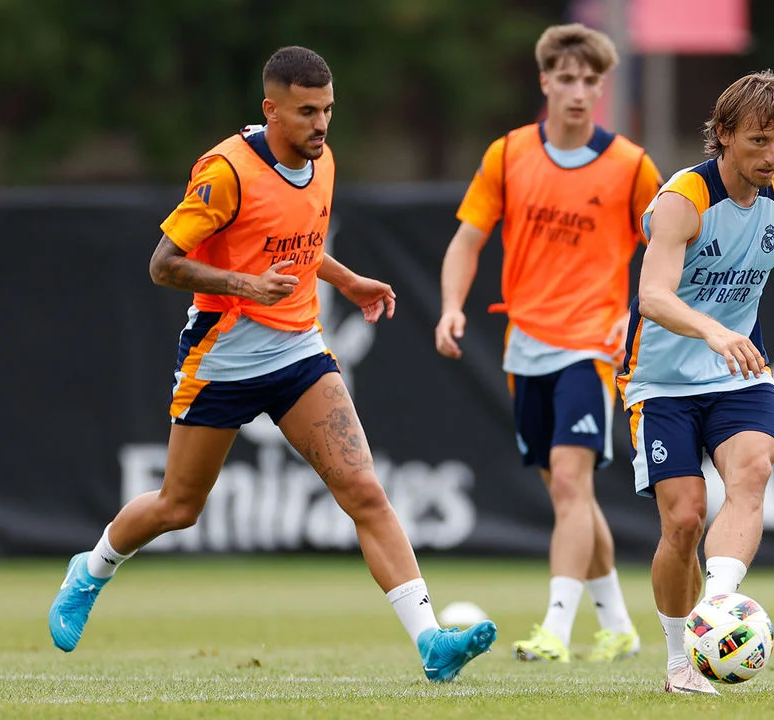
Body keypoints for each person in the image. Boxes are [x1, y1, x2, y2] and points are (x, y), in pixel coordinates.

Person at [48, 46, 496, 683]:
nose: (320, 124)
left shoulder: (323, 160)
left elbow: (302, 245)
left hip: (298, 353)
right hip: (222, 361)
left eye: (328, 111)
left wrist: (350, 282)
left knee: (365, 491)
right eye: (307, 111)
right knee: (179, 507)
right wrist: (243, 285)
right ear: (271, 109)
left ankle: (431, 642)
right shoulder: (226, 171)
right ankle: (89, 571)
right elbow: (162, 264)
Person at [435, 24, 660, 663]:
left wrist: (637, 313)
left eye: (591, 81)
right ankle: (617, 623)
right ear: (545, 82)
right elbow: (467, 241)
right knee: (573, 495)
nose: (579, 92)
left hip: (592, 346)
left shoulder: (631, 166)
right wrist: (451, 306)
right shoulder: (508, 155)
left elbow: (673, 247)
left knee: (568, 483)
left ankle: (555, 631)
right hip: (525, 345)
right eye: (567, 78)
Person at [619, 70, 774, 694]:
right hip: (660, 381)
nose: (771, 156)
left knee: (752, 472)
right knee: (685, 519)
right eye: (757, 141)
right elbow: (652, 296)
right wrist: (715, 331)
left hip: (737, 375)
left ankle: (719, 607)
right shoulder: (683, 200)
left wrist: (728, 341)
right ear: (723, 135)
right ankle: (677, 662)